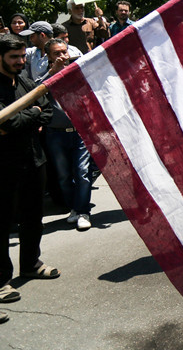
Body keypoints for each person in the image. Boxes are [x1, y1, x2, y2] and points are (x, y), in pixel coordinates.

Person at [0, 34, 59, 314]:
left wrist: (29, 115)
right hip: (4, 166)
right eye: (14, 57)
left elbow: (46, 110)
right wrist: (31, 115)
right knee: (2, 224)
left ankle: (31, 264)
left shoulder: (25, 82)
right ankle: (1, 280)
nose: (20, 61)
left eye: (23, 56)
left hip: (34, 160)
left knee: (33, 217)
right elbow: (6, 124)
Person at [38, 39, 93, 231]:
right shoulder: (45, 76)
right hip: (56, 134)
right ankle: (74, 208)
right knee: (63, 176)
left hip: (80, 132)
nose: (62, 56)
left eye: (64, 52)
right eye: (57, 53)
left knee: (82, 172)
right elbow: (34, 92)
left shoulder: (77, 71)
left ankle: (84, 211)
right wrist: (52, 73)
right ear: (48, 56)